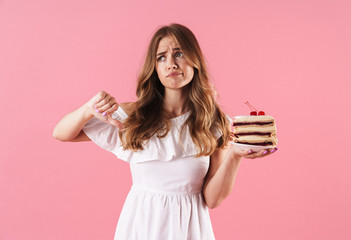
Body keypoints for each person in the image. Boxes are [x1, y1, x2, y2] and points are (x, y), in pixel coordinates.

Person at [53, 23, 277, 240]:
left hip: (190, 230)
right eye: (161, 57)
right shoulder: (133, 115)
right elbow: (61, 133)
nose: (171, 63)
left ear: (194, 61)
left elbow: (213, 200)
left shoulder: (215, 122)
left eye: (178, 54)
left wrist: (236, 155)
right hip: (141, 226)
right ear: (155, 68)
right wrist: (86, 110)